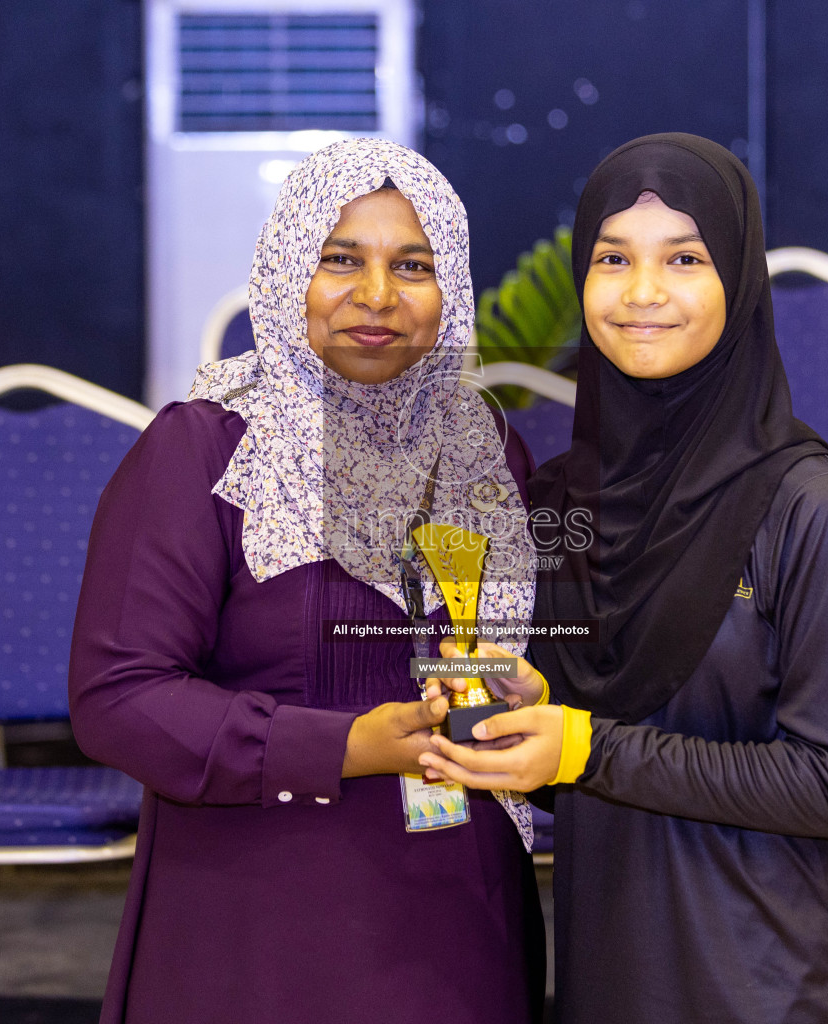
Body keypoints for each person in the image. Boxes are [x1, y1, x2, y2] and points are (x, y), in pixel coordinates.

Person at [421, 132, 828, 1023]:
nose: (642, 293)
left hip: (767, 980)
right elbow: (577, 746)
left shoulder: (814, 509)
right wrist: (523, 710)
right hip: (612, 970)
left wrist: (586, 746)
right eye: (612, 259)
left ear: (739, 283)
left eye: (684, 257)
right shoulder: (565, 501)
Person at [69, 137, 543, 1024]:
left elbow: (503, 649)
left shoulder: (485, 448)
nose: (376, 296)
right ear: (287, 270)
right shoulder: (204, 449)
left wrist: (515, 685)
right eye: (339, 260)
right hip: (257, 914)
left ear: (452, 291)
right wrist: (346, 746)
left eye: (412, 264)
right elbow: (118, 697)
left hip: (455, 910)